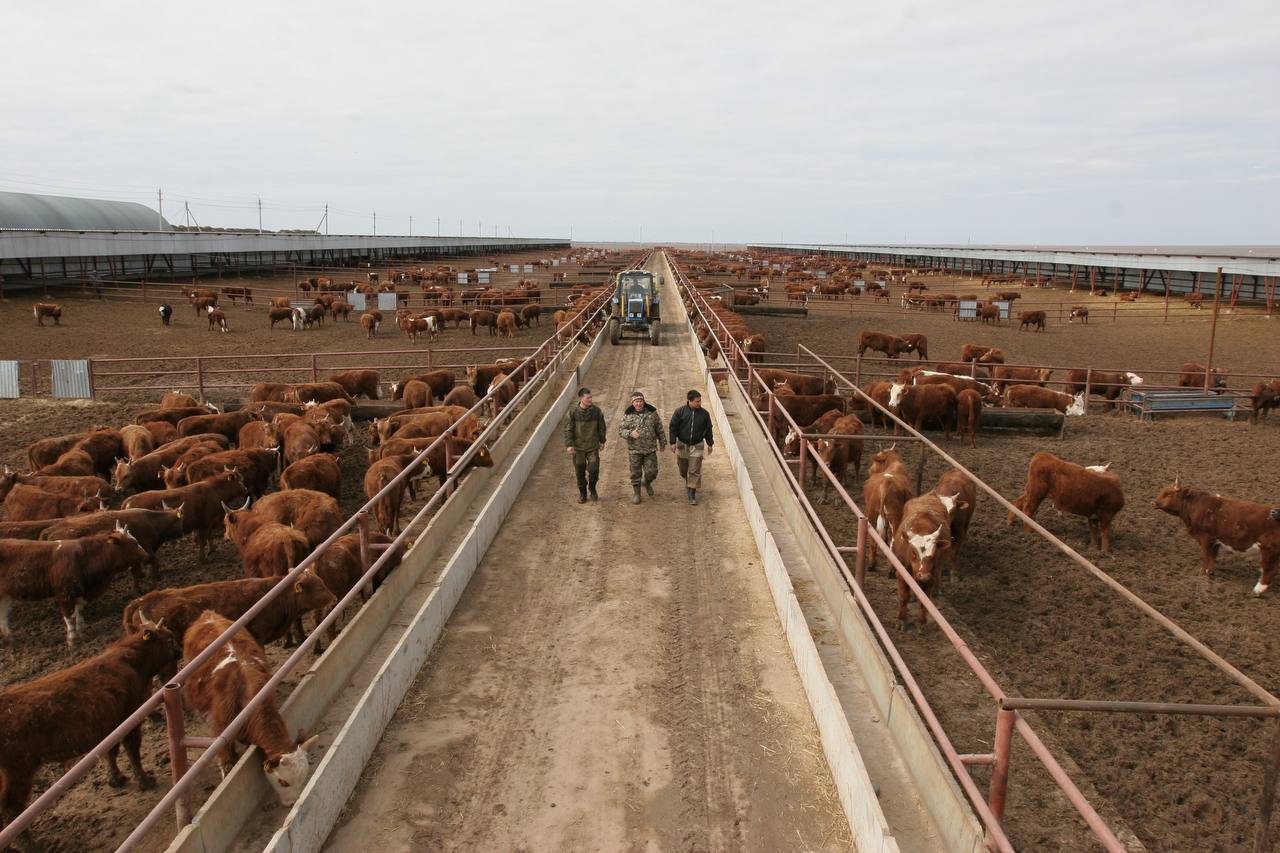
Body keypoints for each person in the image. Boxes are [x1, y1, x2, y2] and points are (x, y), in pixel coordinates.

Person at [618, 390, 666, 504]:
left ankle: (647, 482)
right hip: (635, 450)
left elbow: (659, 428)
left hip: (650, 449)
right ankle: (637, 494)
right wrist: (630, 433)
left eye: (640, 401)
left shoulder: (652, 413)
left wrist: (662, 442)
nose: (638, 404)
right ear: (632, 403)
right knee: (635, 473)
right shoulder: (628, 414)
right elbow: (621, 430)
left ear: (644, 401)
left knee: (652, 472)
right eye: (636, 401)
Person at [668, 389, 714, 505]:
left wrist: (710, 443)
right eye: (697, 401)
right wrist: (672, 442)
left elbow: (709, 429)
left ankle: (691, 493)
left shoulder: (704, 414)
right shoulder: (680, 412)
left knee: (694, 470)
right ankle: (687, 480)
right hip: (682, 444)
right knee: (683, 469)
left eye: (700, 401)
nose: (699, 403)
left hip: (697, 444)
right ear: (690, 401)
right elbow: (673, 427)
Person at [563, 387, 606, 504]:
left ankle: (592, 488)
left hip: (592, 446)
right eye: (588, 398)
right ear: (581, 398)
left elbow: (601, 427)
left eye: (591, 397)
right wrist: (569, 444)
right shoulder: (573, 412)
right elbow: (568, 429)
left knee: (594, 469)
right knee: (580, 472)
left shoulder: (596, 411)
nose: (590, 400)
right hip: (578, 448)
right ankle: (583, 493)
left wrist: (602, 441)